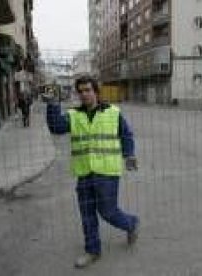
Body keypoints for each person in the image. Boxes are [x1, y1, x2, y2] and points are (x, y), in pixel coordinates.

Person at [46, 76, 139, 269]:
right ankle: (92, 250)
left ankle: (131, 223)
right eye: (80, 91)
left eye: (88, 90)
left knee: (108, 212)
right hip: (84, 172)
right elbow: (56, 128)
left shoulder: (113, 112)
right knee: (87, 214)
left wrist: (129, 155)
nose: (84, 94)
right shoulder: (74, 115)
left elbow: (126, 134)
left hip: (107, 173)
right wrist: (53, 104)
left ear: (96, 91)